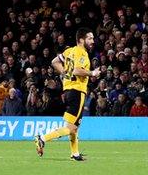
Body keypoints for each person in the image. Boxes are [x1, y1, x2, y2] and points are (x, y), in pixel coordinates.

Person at [35, 27, 100, 161]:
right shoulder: (82, 53)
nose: (92, 41)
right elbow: (76, 70)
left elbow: (54, 62)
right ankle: (42, 139)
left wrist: (65, 72)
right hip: (77, 92)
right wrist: (92, 73)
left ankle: (74, 154)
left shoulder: (69, 51)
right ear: (81, 40)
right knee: (71, 127)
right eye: (90, 38)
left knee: (74, 126)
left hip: (69, 90)